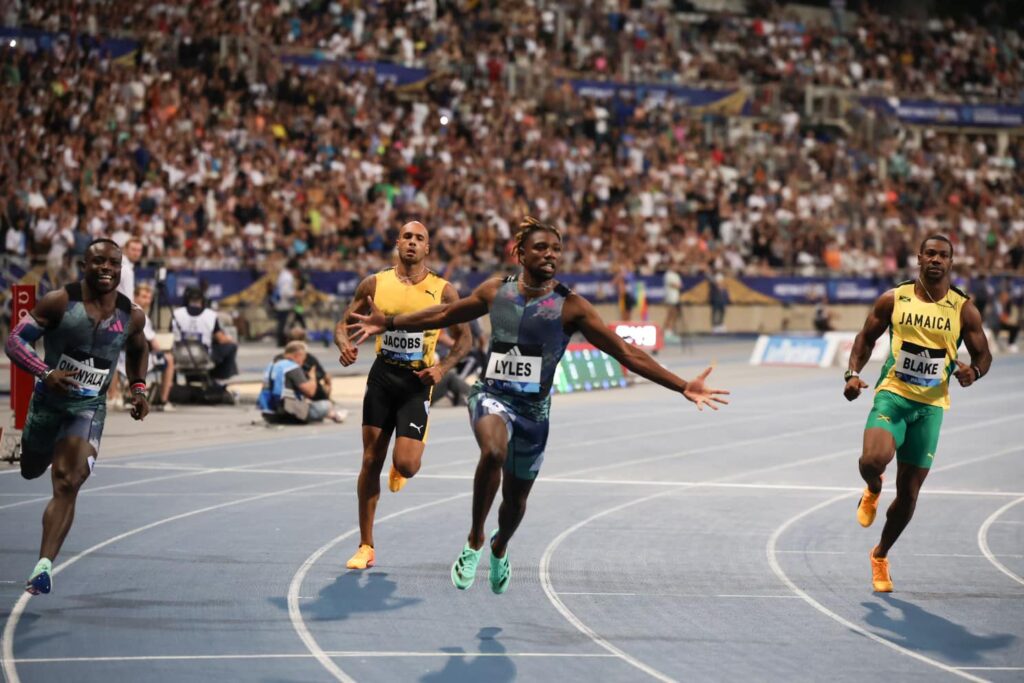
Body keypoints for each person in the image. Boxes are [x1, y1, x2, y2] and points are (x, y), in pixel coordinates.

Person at [349, 217, 729, 594]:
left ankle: (499, 545)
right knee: (493, 450)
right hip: (491, 396)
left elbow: (626, 353)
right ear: (520, 253)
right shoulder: (495, 291)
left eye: (556, 249)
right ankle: (476, 540)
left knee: (515, 503)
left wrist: (681, 386)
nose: (551, 255)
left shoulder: (571, 307)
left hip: (534, 413)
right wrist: (392, 322)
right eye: (542, 248)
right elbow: (444, 314)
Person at [844, 235, 992, 593]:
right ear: (919, 258)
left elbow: (984, 355)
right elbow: (866, 337)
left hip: (930, 408)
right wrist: (852, 374)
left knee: (909, 495)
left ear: (951, 262)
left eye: (943, 255)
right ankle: (872, 488)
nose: (936, 260)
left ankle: (880, 555)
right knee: (872, 459)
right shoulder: (895, 298)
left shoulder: (963, 309)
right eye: (931, 253)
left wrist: (973, 372)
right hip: (893, 396)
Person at [5, 239, 150, 595]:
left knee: (69, 481)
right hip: (48, 402)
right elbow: (15, 341)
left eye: (113, 263)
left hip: (87, 407)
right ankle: (27, 450)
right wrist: (44, 372)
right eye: (98, 261)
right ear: (83, 265)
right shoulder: (59, 301)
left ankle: (43, 566)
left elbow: (138, 348)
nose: (106, 268)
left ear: (121, 268)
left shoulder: (131, 315)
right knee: (30, 469)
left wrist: (139, 387)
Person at [335, 220, 471, 570]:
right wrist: (345, 344)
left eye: (419, 238)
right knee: (369, 460)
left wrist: (443, 368)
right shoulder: (374, 283)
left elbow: (466, 339)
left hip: (417, 380)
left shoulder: (444, 291)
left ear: (428, 249)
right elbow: (342, 323)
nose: (412, 242)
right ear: (397, 243)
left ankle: (401, 466)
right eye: (407, 236)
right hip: (383, 376)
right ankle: (366, 545)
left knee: (408, 464)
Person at [258, 340, 346, 424]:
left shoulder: (272, 365)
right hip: (286, 412)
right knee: (326, 405)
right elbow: (310, 392)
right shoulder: (292, 367)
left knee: (307, 403)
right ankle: (332, 415)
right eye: (303, 358)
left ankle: (332, 415)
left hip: (268, 411)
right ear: (298, 355)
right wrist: (312, 377)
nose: (303, 362)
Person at [171, 286, 238, 382]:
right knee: (232, 346)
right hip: (202, 358)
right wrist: (230, 339)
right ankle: (215, 377)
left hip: (180, 357)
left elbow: (170, 336)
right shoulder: (210, 315)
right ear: (203, 300)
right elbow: (221, 339)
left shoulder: (176, 314)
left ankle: (172, 385)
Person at [133, 283, 176, 410]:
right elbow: (155, 344)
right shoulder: (140, 315)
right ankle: (163, 400)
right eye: (144, 297)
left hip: (127, 354)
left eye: (149, 297)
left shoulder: (127, 311)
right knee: (169, 359)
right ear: (135, 297)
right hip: (138, 356)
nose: (147, 300)